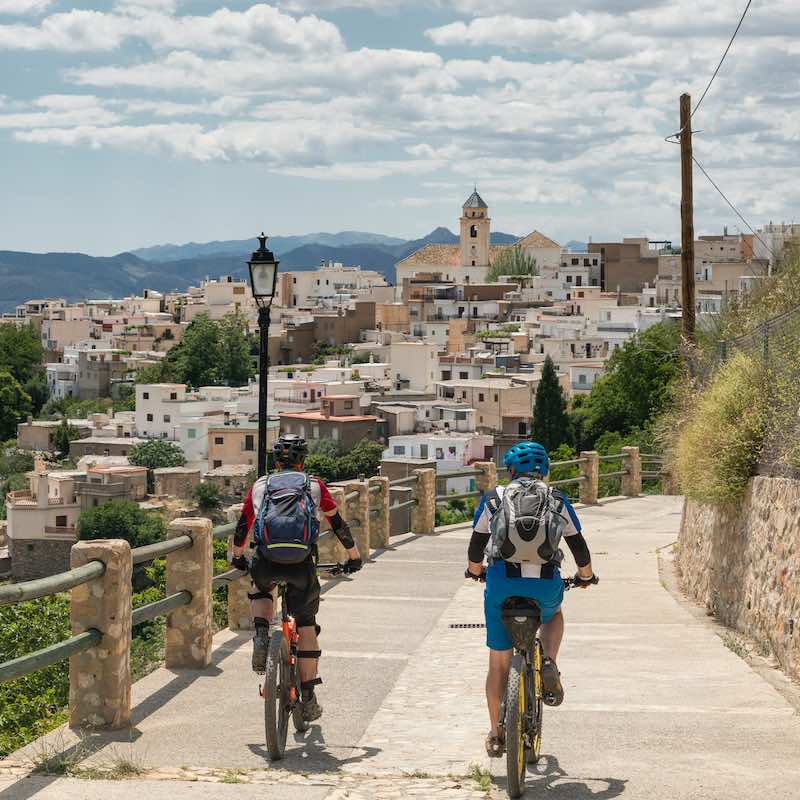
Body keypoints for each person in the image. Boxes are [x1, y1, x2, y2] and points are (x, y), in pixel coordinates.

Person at [465, 441, 597, 757]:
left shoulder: (494, 498)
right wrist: (586, 577)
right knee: (553, 615)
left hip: (500, 584)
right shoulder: (556, 498)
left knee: (498, 664)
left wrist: (475, 571)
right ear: (545, 470)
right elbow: (579, 548)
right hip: (545, 584)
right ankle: (548, 658)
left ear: (511, 470)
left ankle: (497, 735)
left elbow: (475, 548)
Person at [231, 433, 362, 723]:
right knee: (306, 627)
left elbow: (244, 525)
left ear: (276, 461)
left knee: (261, 589)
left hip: (267, 560)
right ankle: (308, 697)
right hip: (301, 564)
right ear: (303, 461)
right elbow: (337, 524)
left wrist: (238, 555)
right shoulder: (314, 486)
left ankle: (263, 632)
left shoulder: (261, 486)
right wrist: (354, 556)